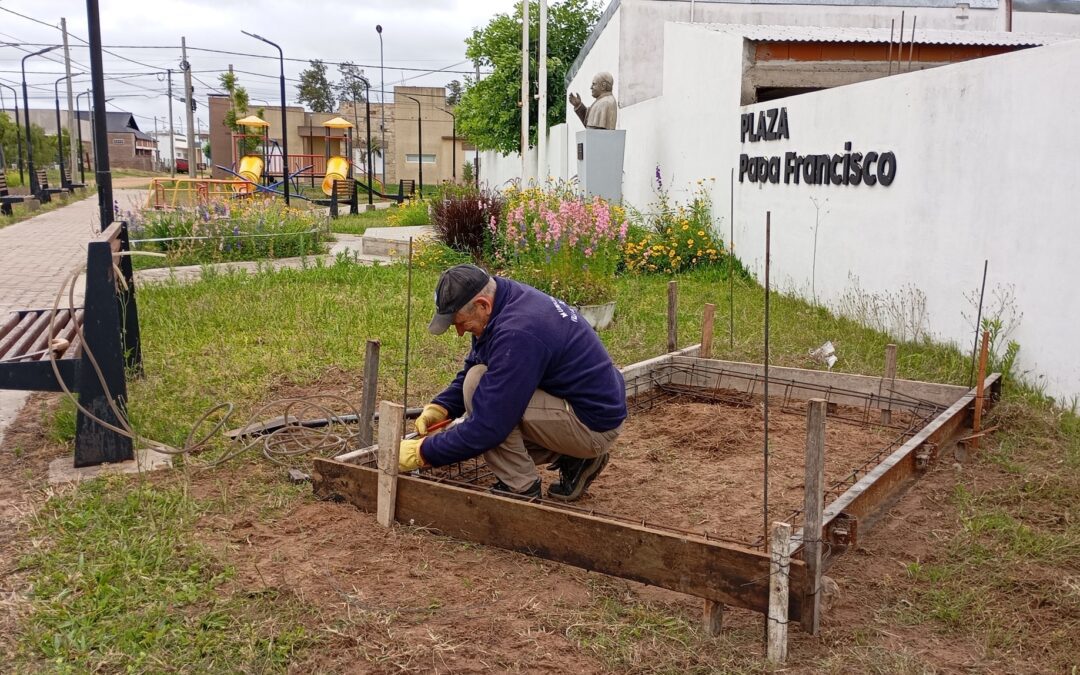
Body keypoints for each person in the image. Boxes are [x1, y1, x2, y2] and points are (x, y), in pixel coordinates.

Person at [398, 264, 626, 501]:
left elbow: (488, 428)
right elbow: (479, 361)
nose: (459, 332)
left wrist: (422, 453)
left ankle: (521, 487)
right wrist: (442, 407)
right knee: (478, 381)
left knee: (485, 402)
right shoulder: (503, 298)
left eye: (460, 323)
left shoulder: (519, 332)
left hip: (592, 427)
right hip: (585, 406)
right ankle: (575, 459)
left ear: (483, 305)